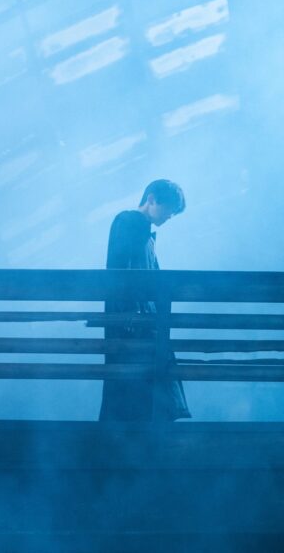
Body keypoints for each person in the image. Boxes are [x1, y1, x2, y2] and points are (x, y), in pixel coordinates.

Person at [98, 179, 191, 421]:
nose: (170, 215)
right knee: (137, 384)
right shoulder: (127, 221)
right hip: (133, 321)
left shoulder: (145, 235)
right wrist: (127, 311)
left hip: (142, 320)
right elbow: (119, 269)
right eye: (168, 208)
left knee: (143, 386)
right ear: (151, 199)